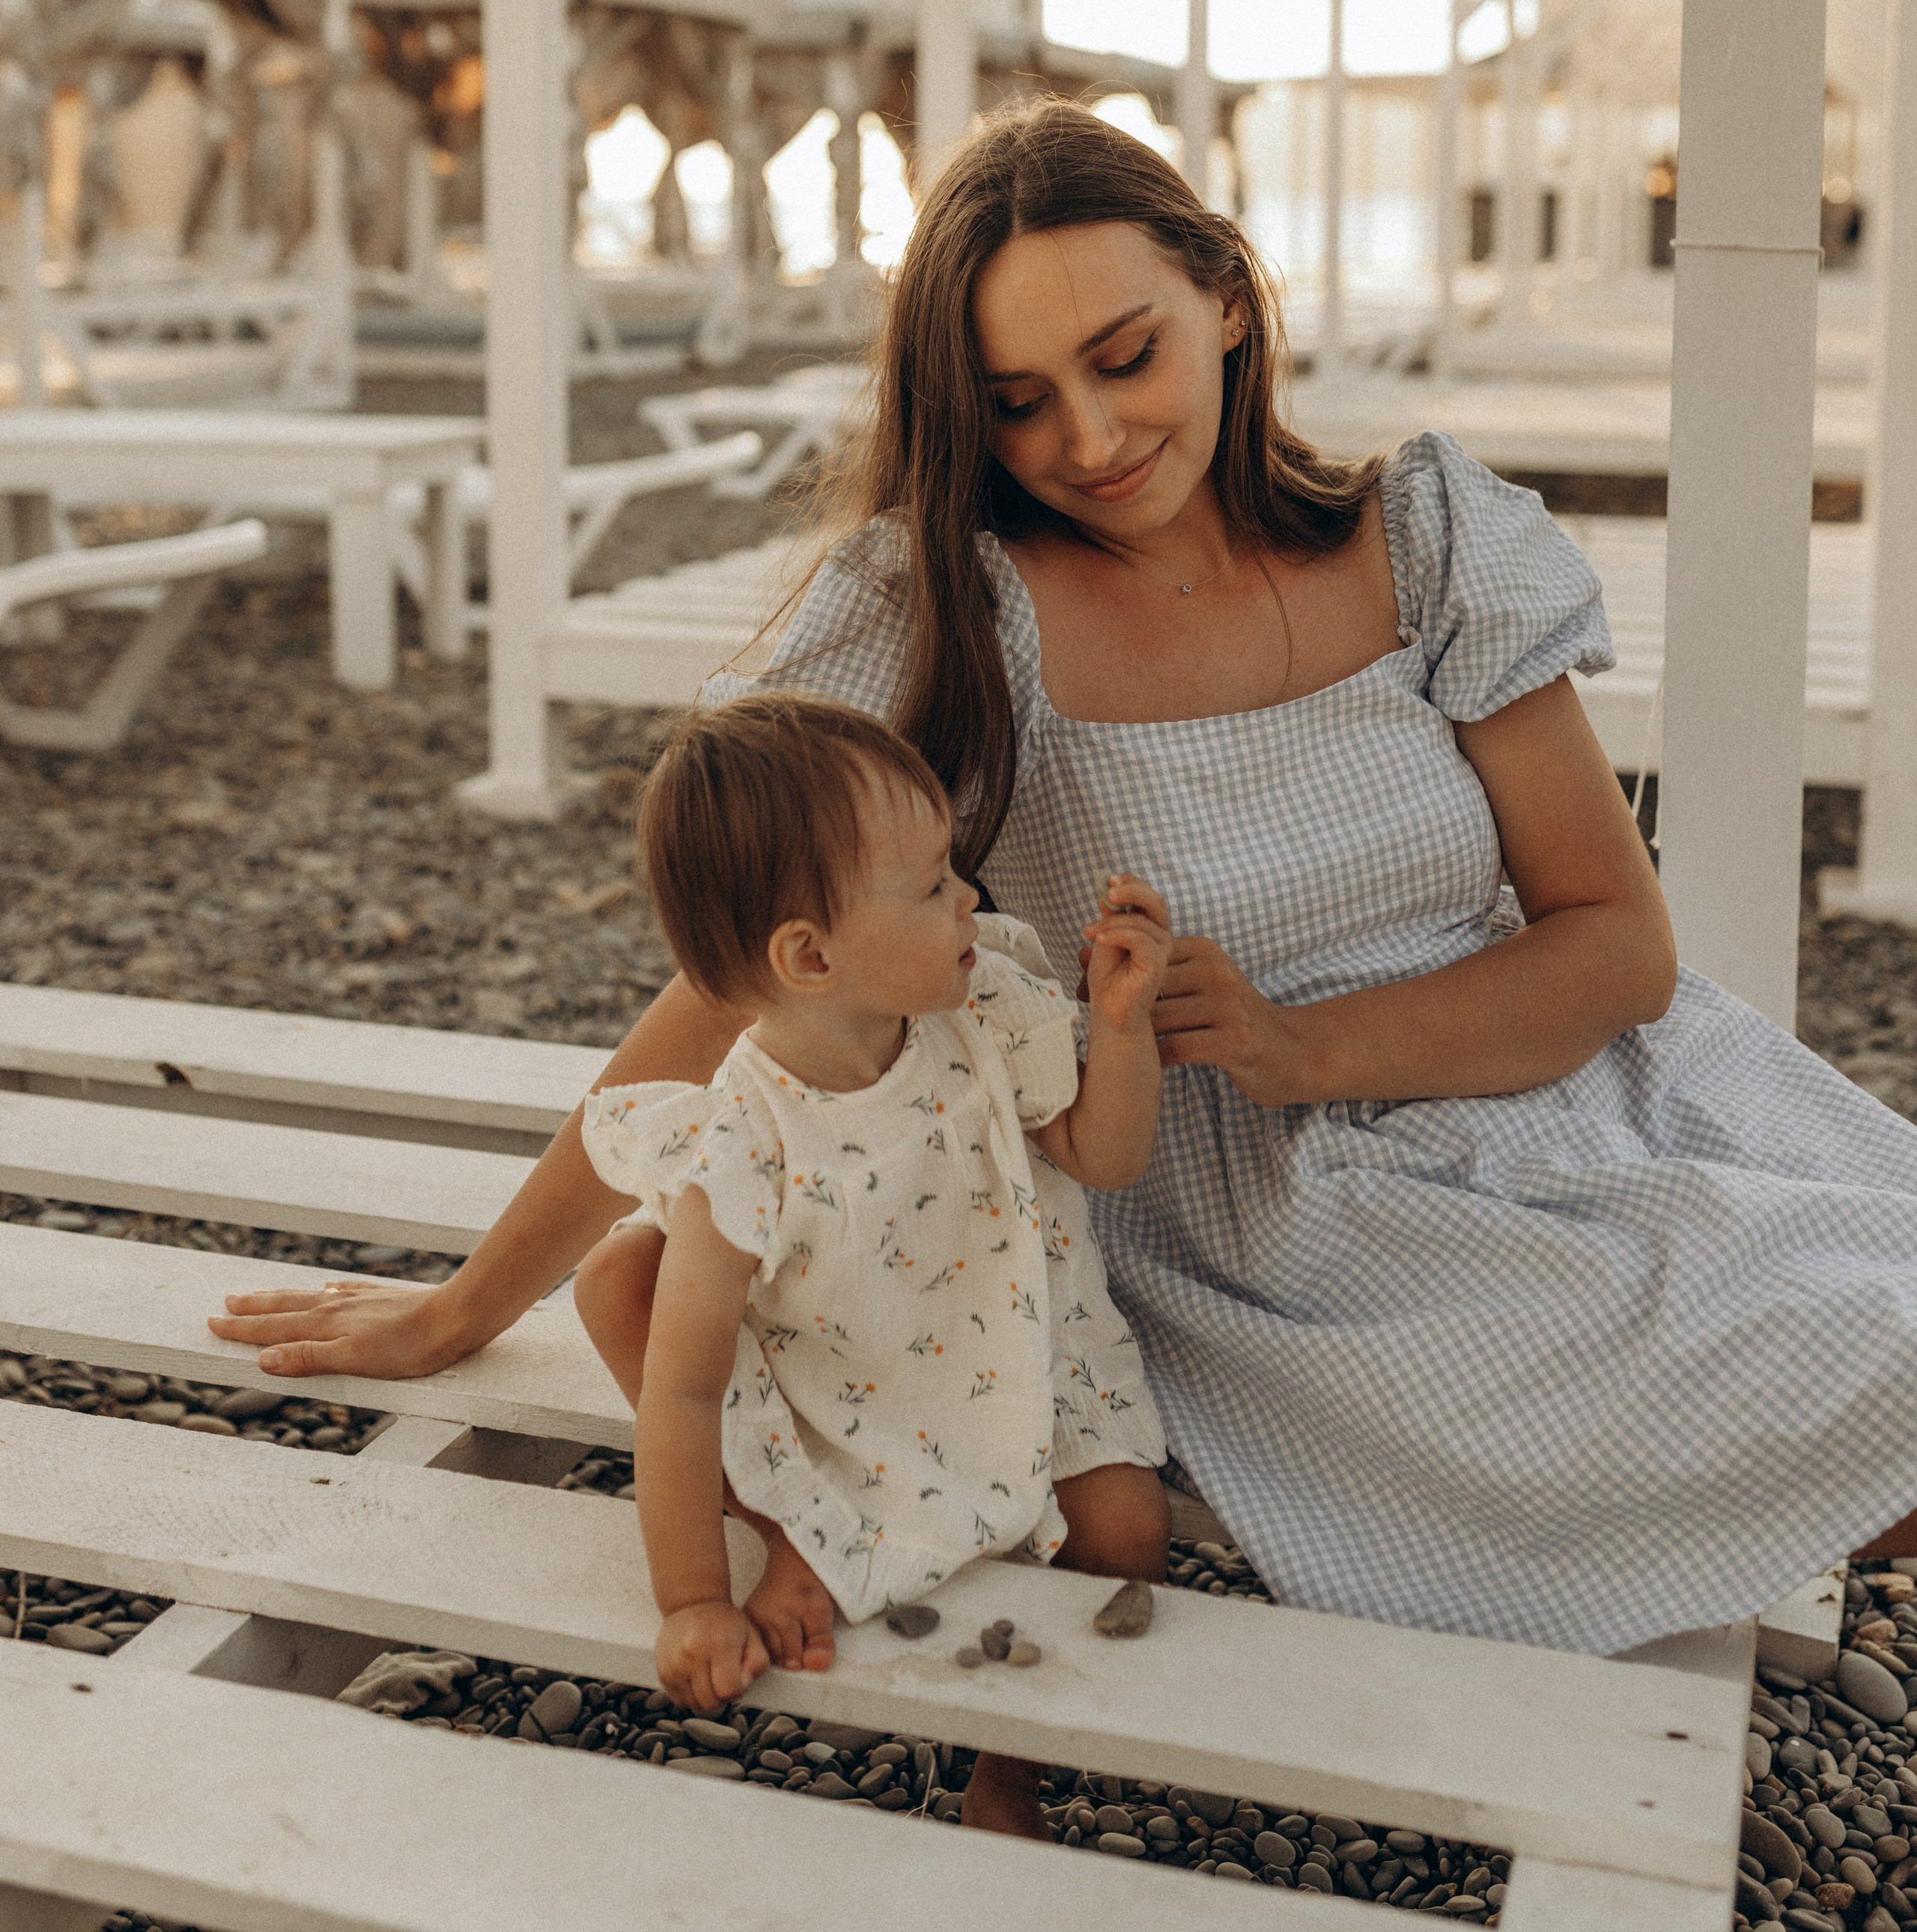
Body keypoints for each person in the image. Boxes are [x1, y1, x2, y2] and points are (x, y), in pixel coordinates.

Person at [214, 98, 1917, 1667]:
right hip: (1279, 1213)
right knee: (1847, 1366)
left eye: (1126, 357)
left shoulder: (1425, 539)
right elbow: (750, 975)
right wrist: (463, 1307)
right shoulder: (952, 610)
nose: (1089, 438)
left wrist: (1308, 1041)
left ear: (1227, 302)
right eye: (1014, 403)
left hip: (1570, 1076)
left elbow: (1613, 946)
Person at [574, 689, 1168, 1795]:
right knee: (624, 1285)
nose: (970, 897)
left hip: (1005, 1329)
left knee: (1131, 1530)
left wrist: (1124, 1030)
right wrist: (695, 1595)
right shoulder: (742, 1142)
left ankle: (1008, 1771)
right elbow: (689, 1391)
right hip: (838, 1375)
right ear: (810, 958)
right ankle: (804, 1530)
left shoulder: (983, 1004)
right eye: (935, 884)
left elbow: (1105, 1154)